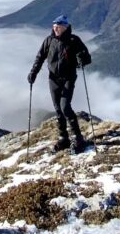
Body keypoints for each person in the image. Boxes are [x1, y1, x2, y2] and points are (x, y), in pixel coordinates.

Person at [28, 14, 92, 153]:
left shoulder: (74, 40)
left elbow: (87, 57)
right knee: (58, 109)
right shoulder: (49, 41)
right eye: (54, 27)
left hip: (68, 78)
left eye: (59, 27)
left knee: (65, 107)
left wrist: (82, 58)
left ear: (65, 27)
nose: (56, 29)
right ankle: (64, 138)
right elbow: (40, 58)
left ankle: (78, 137)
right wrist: (33, 73)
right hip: (53, 79)